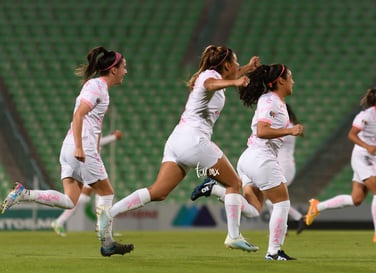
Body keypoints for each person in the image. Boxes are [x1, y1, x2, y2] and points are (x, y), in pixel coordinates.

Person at [97, 45, 261, 252]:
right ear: (226, 65)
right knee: (234, 183)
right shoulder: (208, 77)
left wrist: (247, 68)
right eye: (236, 61)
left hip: (177, 141)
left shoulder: (212, 74)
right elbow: (211, 84)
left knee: (158, 192)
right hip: (194, 141)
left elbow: (226, 77)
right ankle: (234, 236)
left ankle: (109, 213)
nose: (237, 65)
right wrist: (236, 81)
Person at [0, 47, 134, 256]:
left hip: (71, 147)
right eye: (124, 67)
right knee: (107, 193)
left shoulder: (98, 88)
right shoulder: (97, 87)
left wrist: (92, 147)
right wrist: (82, 147)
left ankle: (24, 194)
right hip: (80, 147)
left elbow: (93, 124)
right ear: (113, 70)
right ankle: (107, 242)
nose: (126, 71)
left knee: (71, 200)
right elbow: (79, 115)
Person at [193, 64, 304, 260]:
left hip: (249, 158)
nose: (293, 81)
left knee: (253, 210)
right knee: (282, 203)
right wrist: (290, 131)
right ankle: (274, 252)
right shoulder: (272, 101)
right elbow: (262, 130)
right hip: (261, 157)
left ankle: (215, 189)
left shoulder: (273, 101)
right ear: (280, 80)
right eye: (290, 77)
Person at [191, 104, 307, 234]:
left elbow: (265, 131)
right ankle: (287, 226)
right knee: (274, 201)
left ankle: (214, 189)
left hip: (258, 162)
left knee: (255, 209)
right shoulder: (286, 126)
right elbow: (266, 133)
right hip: (265, 165)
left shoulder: (281, 124)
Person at [305, 86, 376, 243]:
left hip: (374, 159)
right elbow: (352, 135)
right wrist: (367, 146)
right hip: (362, 158)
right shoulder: (366, 115)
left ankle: (316, 207)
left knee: (356, 199)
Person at [51, 130, 123, 237]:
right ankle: (103, 228)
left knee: (89, 197)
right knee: (100, 194)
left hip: (87, 162)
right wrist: (113, 138)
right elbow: (93, 142)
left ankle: (103, 227)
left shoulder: (90, 121)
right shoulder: (87, 122)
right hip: (85, 163)